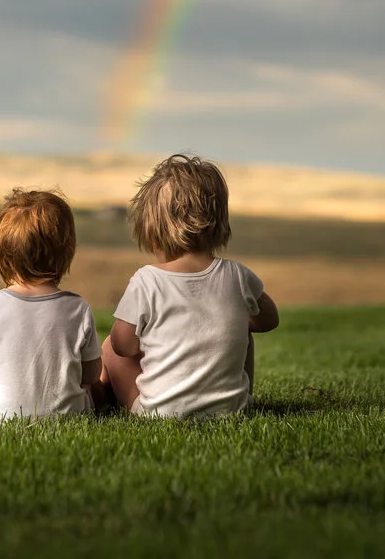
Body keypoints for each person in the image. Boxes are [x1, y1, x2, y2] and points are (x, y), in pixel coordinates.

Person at [101, 154, 279, 417]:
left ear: (153, 233)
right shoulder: (238, 275)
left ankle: (105, 399)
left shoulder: (146, 281)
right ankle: (235, 400)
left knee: (109, 346)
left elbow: (122, 346)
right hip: (232, 411)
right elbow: (269, 320)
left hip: (161, 414)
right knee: (246, 330)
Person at [0, 188, 102, 420]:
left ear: (3, 256)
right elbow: (91, 375)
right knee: (89, 389)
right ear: (66, 253)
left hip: (5, 419)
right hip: (71, 416)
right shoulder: (78, 308)